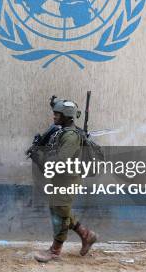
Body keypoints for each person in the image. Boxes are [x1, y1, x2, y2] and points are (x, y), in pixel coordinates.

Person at [29, 97, 98, 262]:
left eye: (57, 114)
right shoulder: (62, 131)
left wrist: (39, 158)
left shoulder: (71, 137)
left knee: (60, 212)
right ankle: (86, 235)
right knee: (60, 209)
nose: (54, 117)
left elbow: (60, 162)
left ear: (67, 116)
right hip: (62, 178)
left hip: (68, 179)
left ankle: (55, 251)